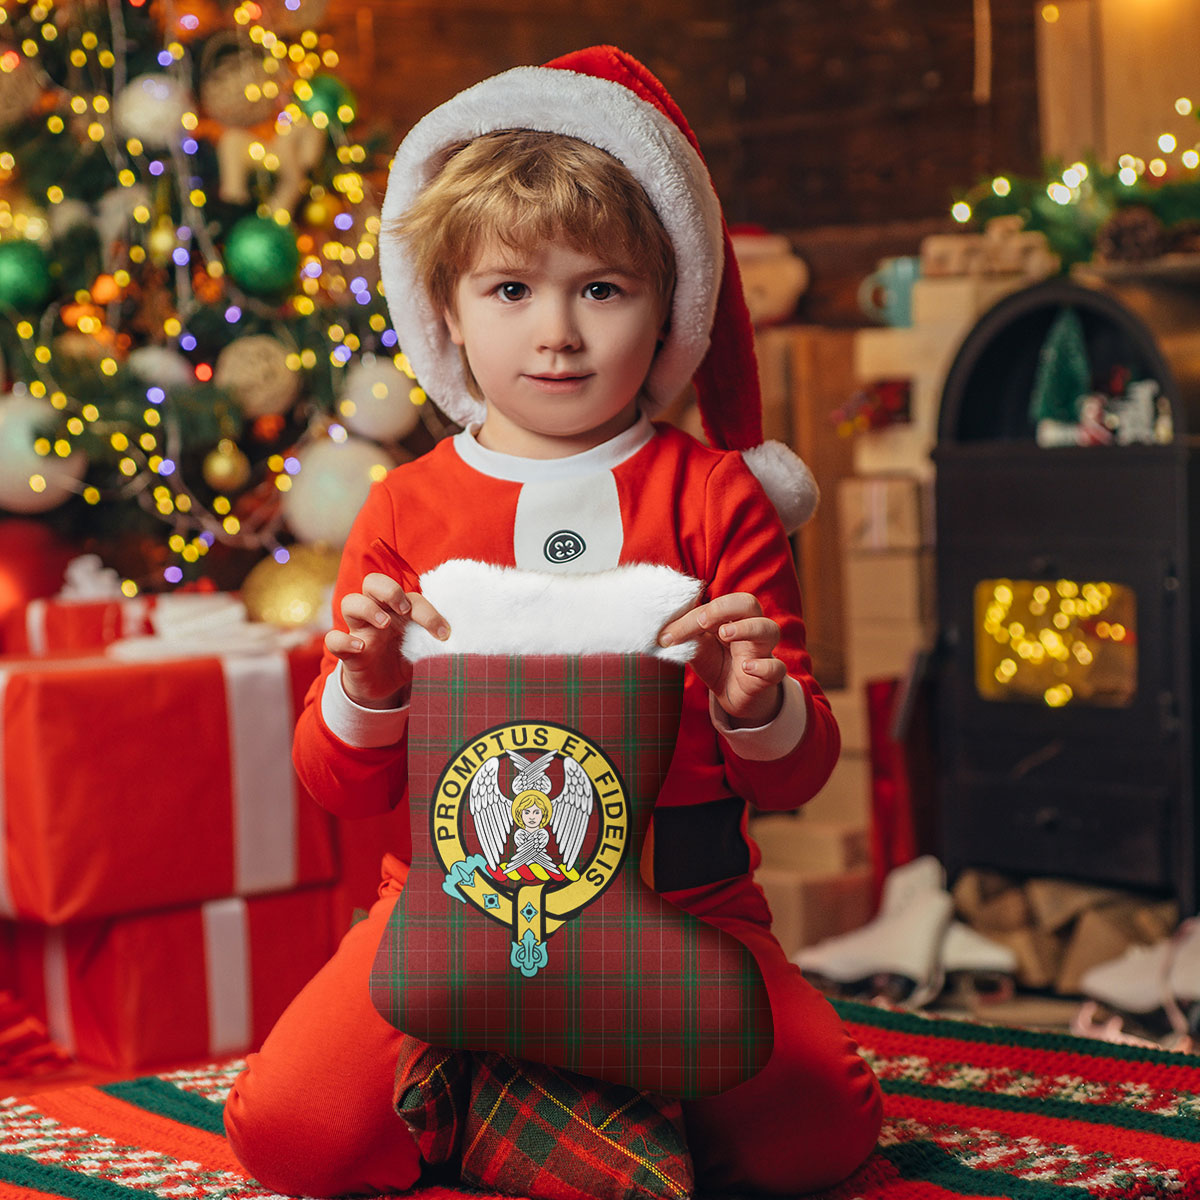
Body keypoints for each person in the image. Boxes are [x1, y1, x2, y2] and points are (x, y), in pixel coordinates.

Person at [224, 45, 882, 1197]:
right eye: (512, 289)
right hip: (449, 905)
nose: (558, 334)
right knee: (293, 1135)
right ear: (447, 310)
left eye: (602, 288)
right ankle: (540, 1082)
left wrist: (760, 705)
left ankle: (528, 1085)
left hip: (688, 902)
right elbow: (339, 785)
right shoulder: (407, 503)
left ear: (665, 303)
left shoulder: (716, 496)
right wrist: (369, 686)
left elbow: (796, 780)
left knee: (816, 1138)